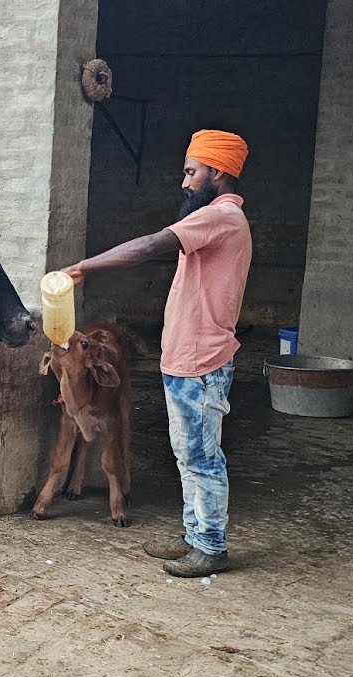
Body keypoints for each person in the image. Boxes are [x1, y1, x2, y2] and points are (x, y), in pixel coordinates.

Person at [61, 129, 252, 578]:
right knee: (187, 454)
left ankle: (210, 546)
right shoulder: (213, 222)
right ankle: (193, 534)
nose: (185, 183)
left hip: (201, 363)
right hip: (187, 360)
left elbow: (149, 246)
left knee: (202, 457)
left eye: (191, 172)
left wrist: (85, 266)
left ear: (218, 172)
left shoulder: (222, 216)